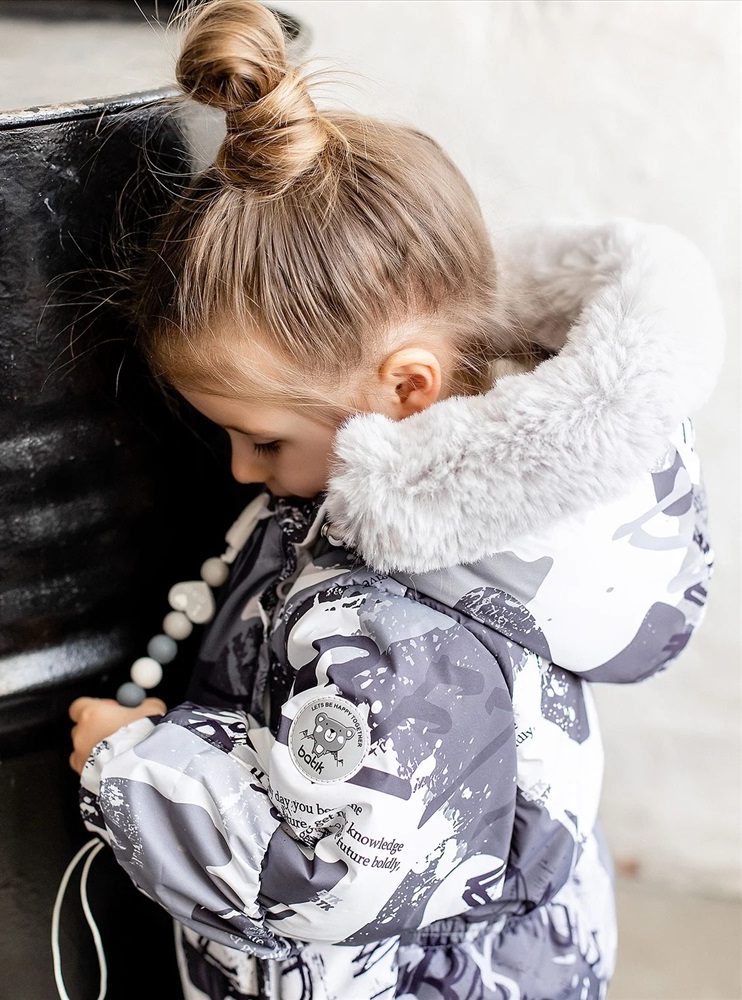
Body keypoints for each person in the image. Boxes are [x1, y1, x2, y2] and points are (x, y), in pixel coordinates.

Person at [67, 2, 725, 998]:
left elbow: (326, 872)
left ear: (408, 388)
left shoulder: (402, 623)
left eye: (263, 439)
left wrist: (137, 770)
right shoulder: (459, 518)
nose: (241, 470)